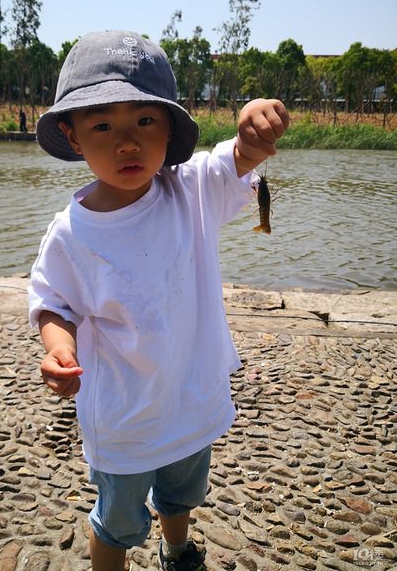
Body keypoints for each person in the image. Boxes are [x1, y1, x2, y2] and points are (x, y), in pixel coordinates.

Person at [28, 30, 289, 571]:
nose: (127, 143)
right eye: (103, 126)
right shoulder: (70, 234)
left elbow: (240, 158)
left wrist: (255, 126)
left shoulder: (190, 189)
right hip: (125, 417)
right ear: (73, 137)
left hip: (191, 400)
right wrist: (58, 348)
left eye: (145, 120)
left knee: (180, 496)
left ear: (170, 128)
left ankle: (176, 549)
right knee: (118, 523)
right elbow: (54, 303)